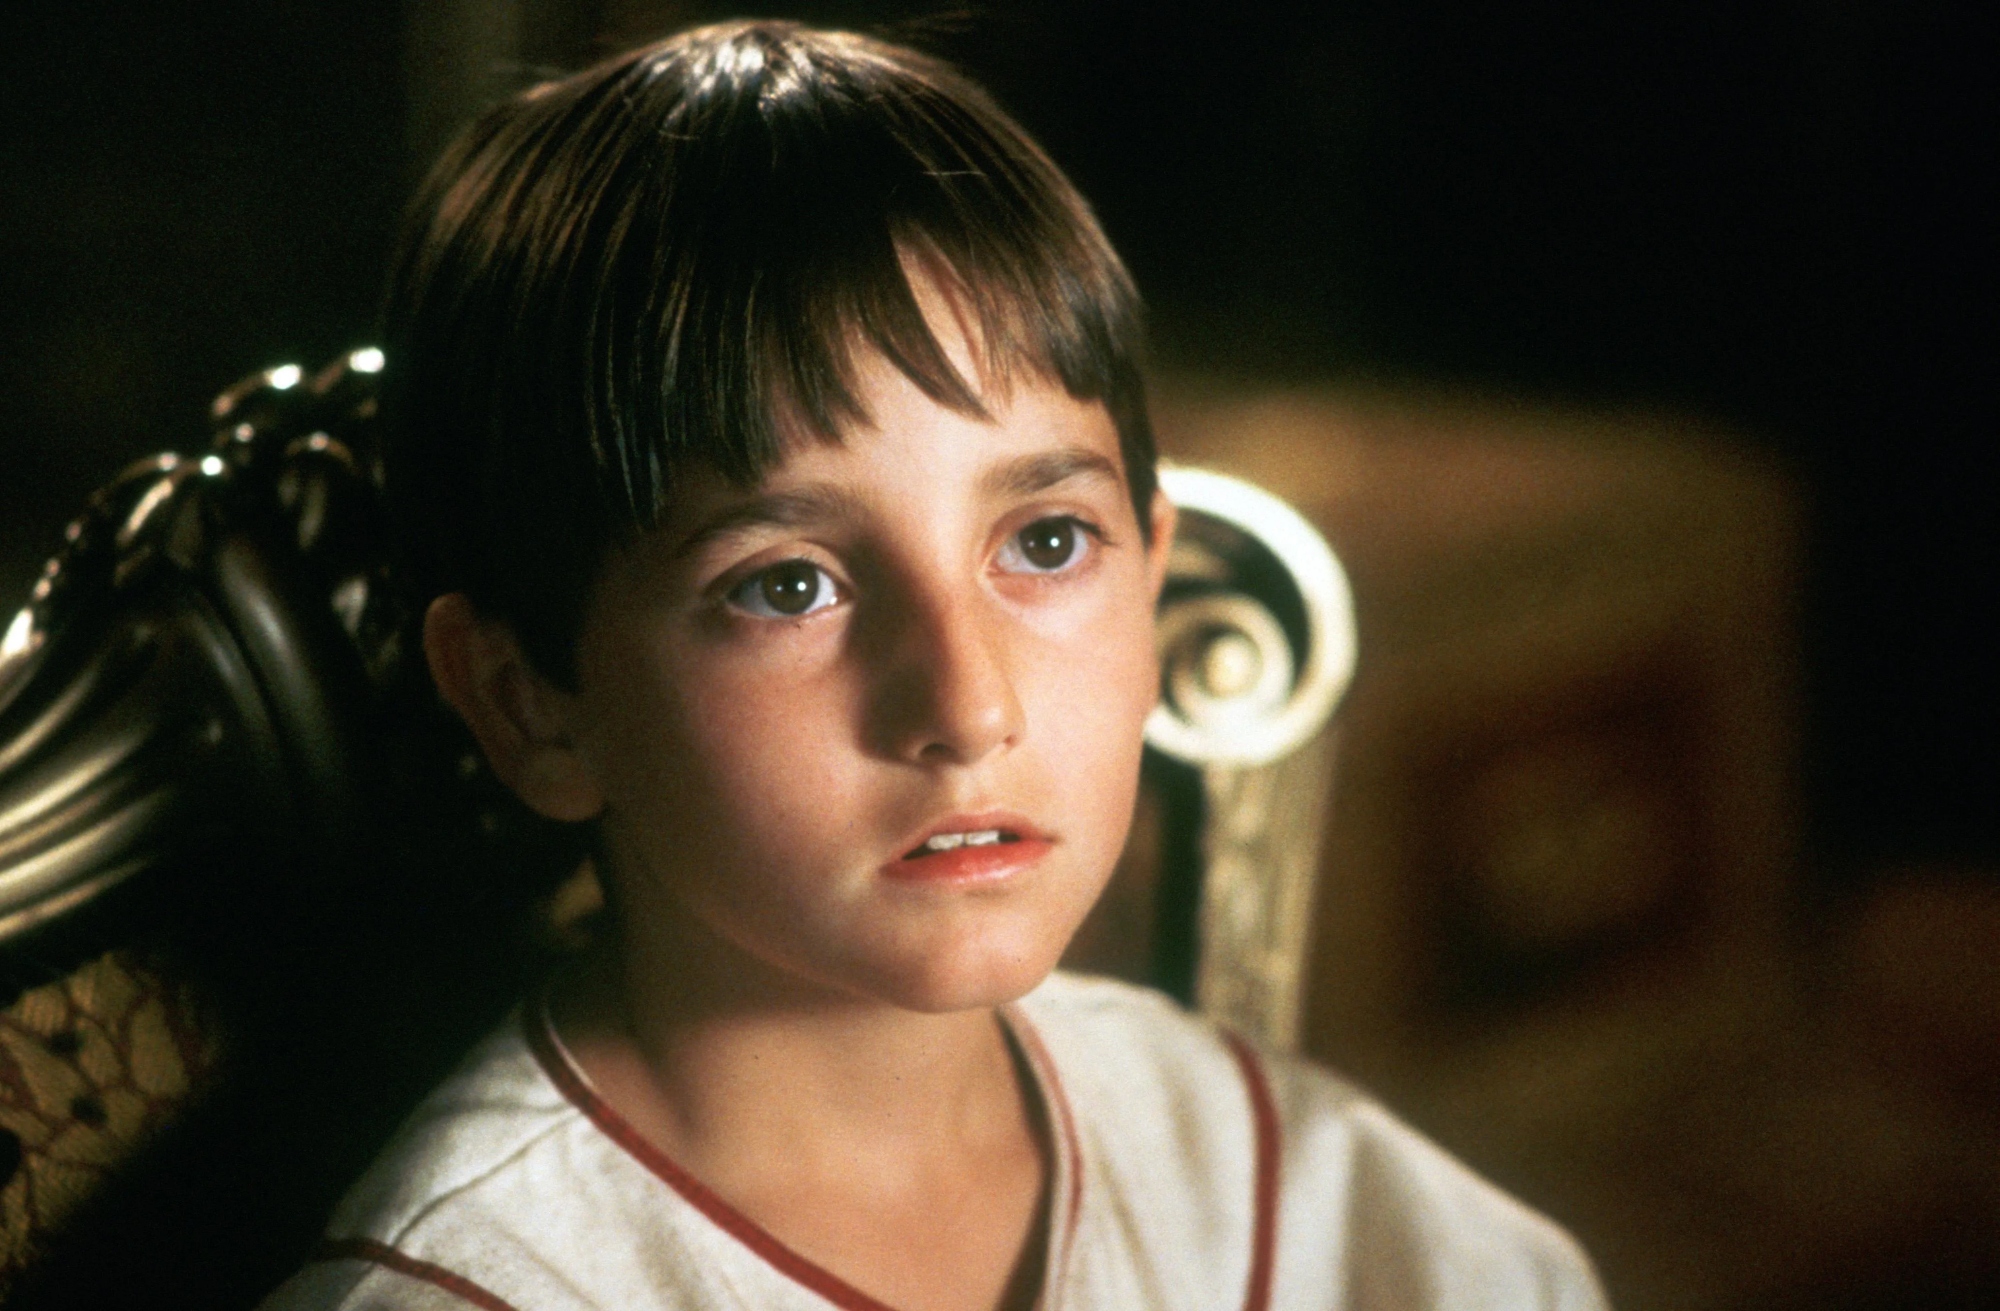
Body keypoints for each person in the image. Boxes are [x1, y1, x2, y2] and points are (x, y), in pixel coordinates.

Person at [260, 20, 1608, 1311]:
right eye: (788, 586)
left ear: (1154, 579)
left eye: (1046, 542)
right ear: (530, 705)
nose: (969, 706)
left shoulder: (1301, 1201)